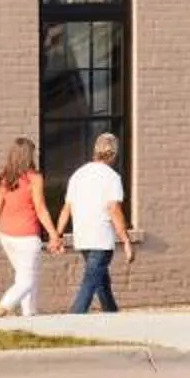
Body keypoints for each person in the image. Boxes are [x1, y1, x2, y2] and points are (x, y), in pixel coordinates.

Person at [53, 132, 134, 313]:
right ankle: (74, 319)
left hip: (82, 237)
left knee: (101, 280)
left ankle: (112, 315)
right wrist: (126, 241)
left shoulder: (78, 175)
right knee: (90, 281)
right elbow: (114, 210)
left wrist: (57, 235)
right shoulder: (112, 177)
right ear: (114, 154)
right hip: (101, 237)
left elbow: (67, 208)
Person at [0, 136, 56, 317]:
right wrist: (53, 234)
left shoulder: (4, 178)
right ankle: (2, 308)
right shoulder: (34, 178)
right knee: (27, 280)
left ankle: (30, 314)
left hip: (7, 237)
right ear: (27, 156)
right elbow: (41, 209)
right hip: (27, 237)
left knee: (26, 275)